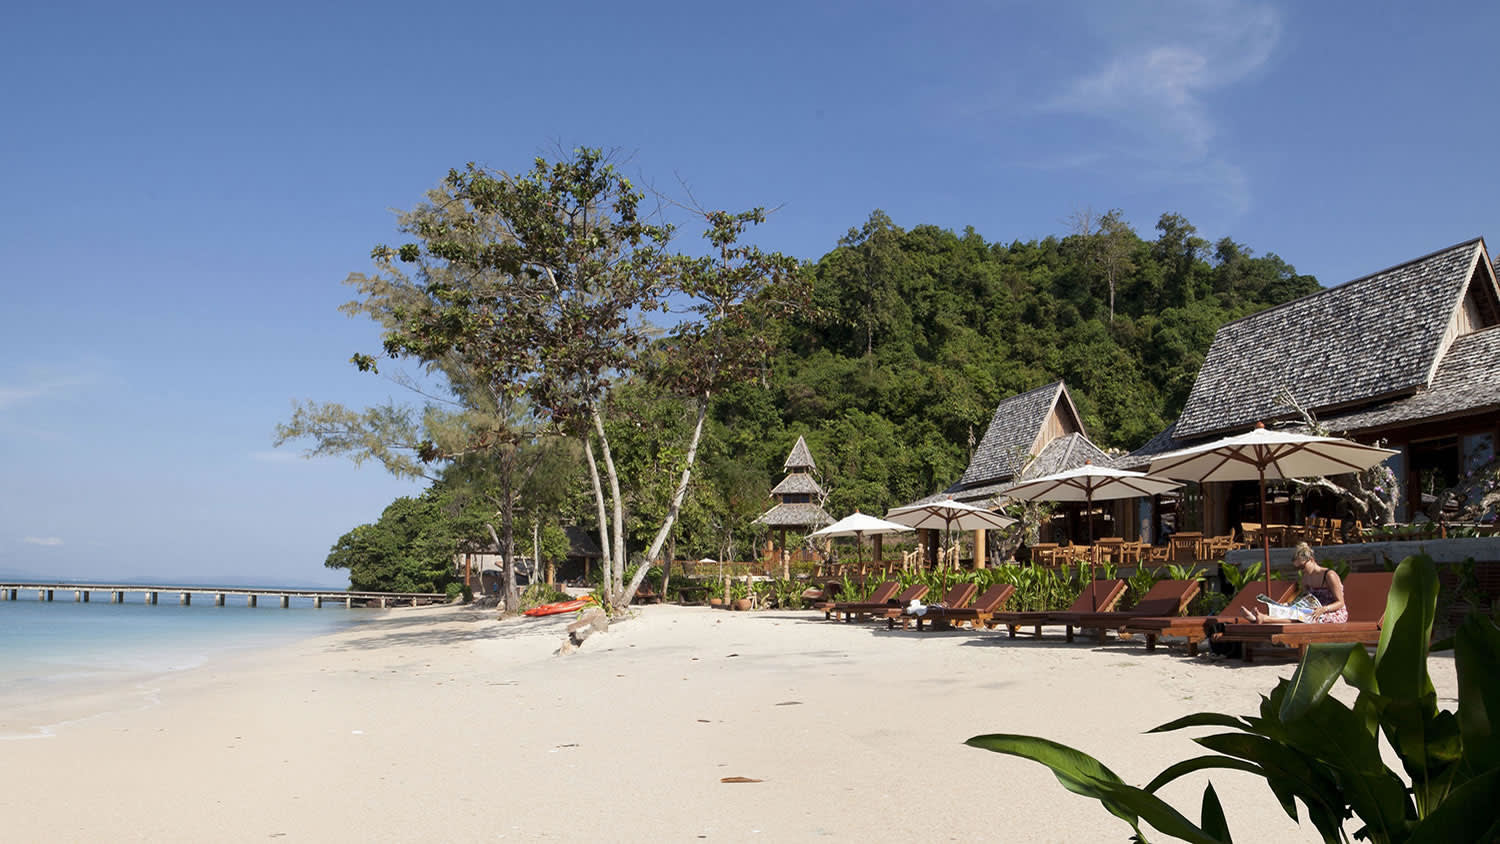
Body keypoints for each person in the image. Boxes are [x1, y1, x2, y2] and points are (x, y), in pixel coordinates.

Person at [1242, 542, 1349, 623]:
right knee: (1290, 609)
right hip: (1313, 610)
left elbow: (1340, 603)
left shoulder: (1329, 575)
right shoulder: (1306, 578)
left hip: (1332, 612)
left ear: (1311, 559)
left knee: (1304, 617)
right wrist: (1287, 604)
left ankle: (1264, 619)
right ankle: (1258, 617)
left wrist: (1324, 609)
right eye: (1298, 568)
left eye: (1302, 566)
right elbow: (1304, 599)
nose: (1301, 570)